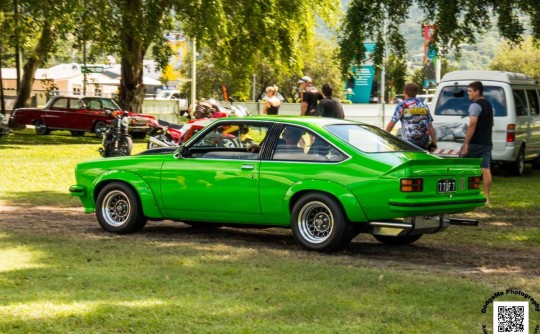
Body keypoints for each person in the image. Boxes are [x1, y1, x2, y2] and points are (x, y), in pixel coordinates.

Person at [460, 81, 494, 205]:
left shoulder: (475, 106)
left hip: (475, 143)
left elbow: (472, 124)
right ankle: (487, 198)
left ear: (477, 92)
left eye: (470, 91)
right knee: (485, 169)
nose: (468, 93)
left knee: (464, 168)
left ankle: (464, 194)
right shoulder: (488, 104)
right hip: (487, 142)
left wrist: (466, 144)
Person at [385, 82, 437, 151]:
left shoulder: (403, 105)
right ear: (416, 93)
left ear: (404, 92)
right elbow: (430, 126)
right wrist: (434, 142)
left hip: (408, 144)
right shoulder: (424, 105)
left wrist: (384, 136)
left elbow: (392, 123)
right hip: (423, 144)